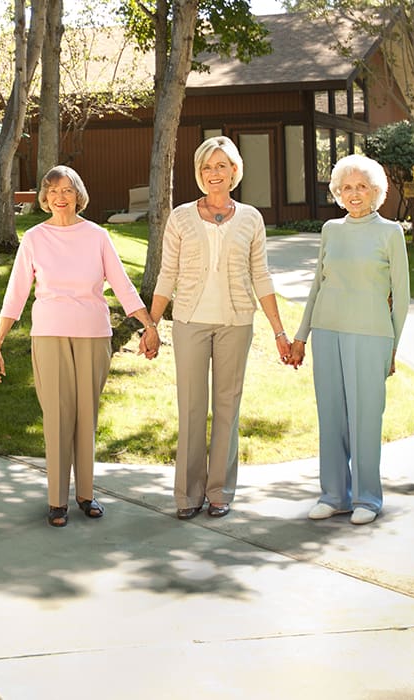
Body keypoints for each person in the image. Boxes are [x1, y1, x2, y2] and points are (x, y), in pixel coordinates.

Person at [0, 165, 160, 527]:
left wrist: (148, 325)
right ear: (44, 198)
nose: (60, 198)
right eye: (52, 192)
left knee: (87, 415)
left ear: (78, 194)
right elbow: (16, 292)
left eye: (66, 190)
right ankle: (56, 500)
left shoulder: (97, 236)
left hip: (94, 334)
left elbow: (122, 284)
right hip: (49, 333)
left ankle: (86, 493)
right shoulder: (34, 238)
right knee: (57, 415)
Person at [148, 136, 292, 520]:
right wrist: (151, 323)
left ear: (234, 171)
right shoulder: (180, 217)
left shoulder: (251, 219)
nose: (215, 173)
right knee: (192, 408)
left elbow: (261, 275)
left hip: (236, 322)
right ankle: (187, 495)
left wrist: (279, 332)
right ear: (199, 173)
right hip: (190, 322)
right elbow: (168, 274)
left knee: (228, 406)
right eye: (208, 166)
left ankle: (220, 492)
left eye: (222, 165)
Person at [289, 154, 410, 525]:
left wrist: (392, 348)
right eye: (347, 187)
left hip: (371, 335)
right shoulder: (331, 230)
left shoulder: (391, 233)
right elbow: (316, 287)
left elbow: (401, 296)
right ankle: (334, 495)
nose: (354, 194)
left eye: (361, 187)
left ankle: (367, 499)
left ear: (376, 191)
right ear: (338, 192)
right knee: (331, 417)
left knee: (366, 417)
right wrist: (301, 336)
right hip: (327, 331)